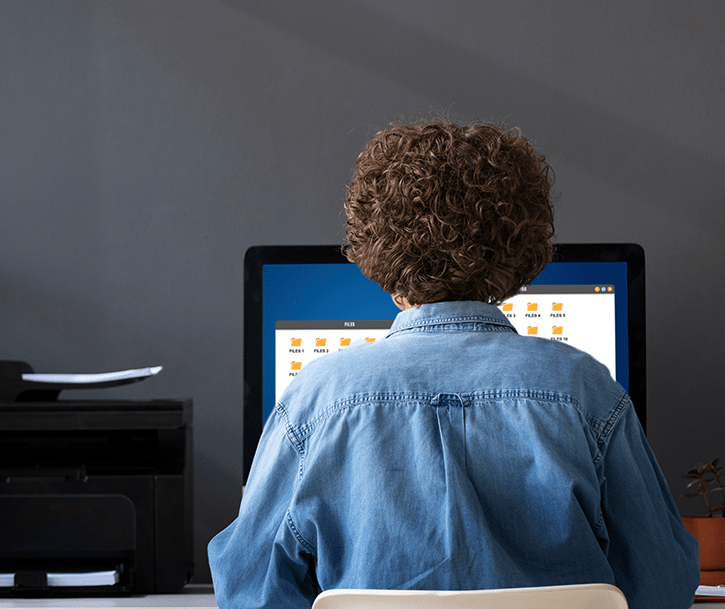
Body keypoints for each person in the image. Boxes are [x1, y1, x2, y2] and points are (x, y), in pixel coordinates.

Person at [208, 120, 699, 609]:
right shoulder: (585, 390)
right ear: (519, 244)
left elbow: (250, 591)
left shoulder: (315, 399)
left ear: (376, 246)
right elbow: (664, 583)